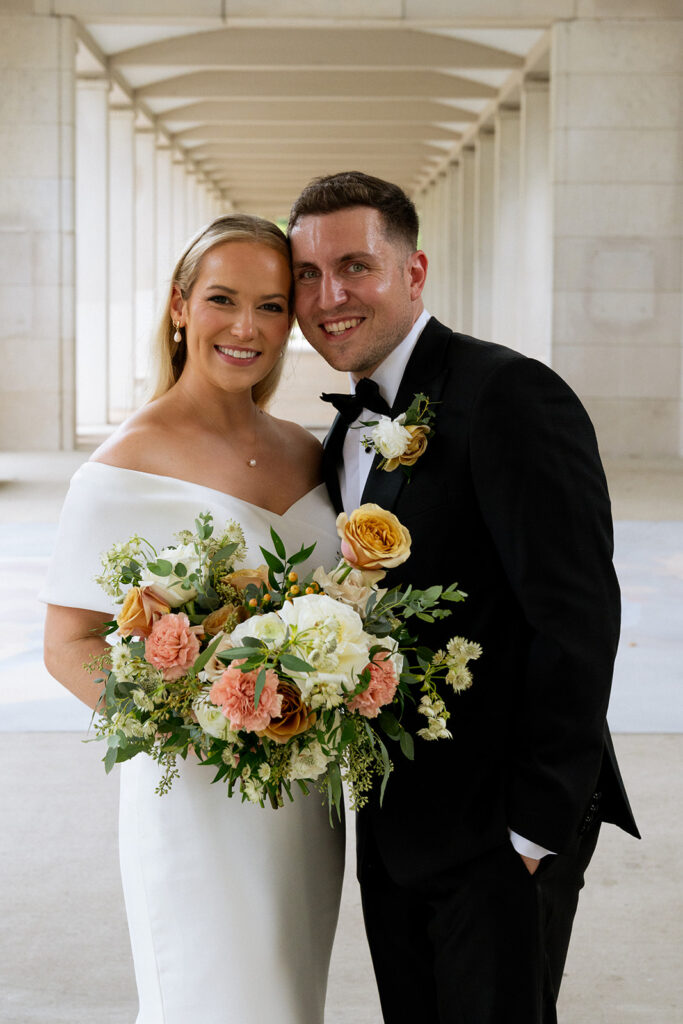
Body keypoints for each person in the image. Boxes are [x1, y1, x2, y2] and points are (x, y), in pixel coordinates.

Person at [288, 171, 639, 1024]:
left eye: (355, 266)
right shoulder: (349, 422)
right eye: (305, 275)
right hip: (395, 816)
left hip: (497, 827)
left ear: (414, 274)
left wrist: (532, 834)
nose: (328, 296)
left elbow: (577, 616)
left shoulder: (509, 395)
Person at [41, 214, 345, 1024]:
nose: (247, 327)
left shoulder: (310, 451)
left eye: (273, 306)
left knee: (289, 998)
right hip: (196, 798)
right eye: (222, 298)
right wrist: (194, 722)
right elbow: (67, 645)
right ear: (180, 307)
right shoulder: (120, 467)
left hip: (305, 790)